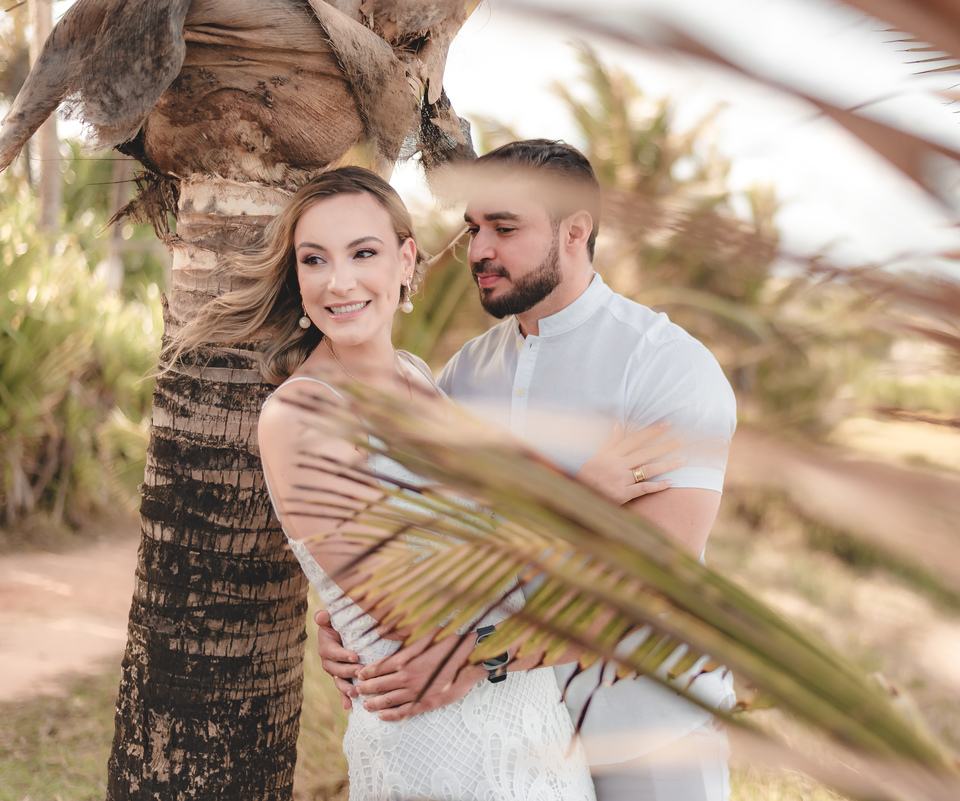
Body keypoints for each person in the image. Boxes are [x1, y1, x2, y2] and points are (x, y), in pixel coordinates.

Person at [169, 165, 678, 800]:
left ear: (406, 260)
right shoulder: (302, 415)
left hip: (527, 720)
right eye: (314, 260)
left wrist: (345, 613)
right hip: (435, 738)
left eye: (364, 253)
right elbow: (416, 603)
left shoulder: (416, 377)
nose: (340, 281)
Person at [318, 140, 738, 801]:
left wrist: (475, 656)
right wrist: (347, 619)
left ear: (576, 230)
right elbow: (431, 540)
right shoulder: (461, 377)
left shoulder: (666, 368)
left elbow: (650, 578)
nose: (478, 249)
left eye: (505, 228)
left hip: (647, 731)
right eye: (473, 228)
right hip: (509, 747)